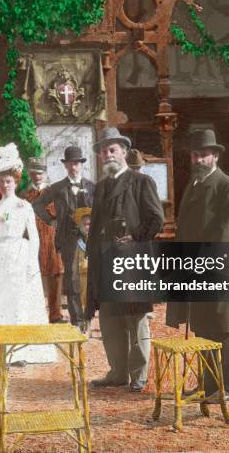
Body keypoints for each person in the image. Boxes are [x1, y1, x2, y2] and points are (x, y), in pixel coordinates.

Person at [165, 129, 229, 403]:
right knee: (202, 327)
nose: (199, 160)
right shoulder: (193, 186)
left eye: (204, 155)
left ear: (215, 156)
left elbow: (227, 232)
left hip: (219, 270)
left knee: (224, 327)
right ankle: (208, 385)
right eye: (195, 155)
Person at [86, 128, 164, 392]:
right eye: (104, 150)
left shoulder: (141, 182)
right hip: (106, 262)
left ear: (123, 152)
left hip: (132, 262)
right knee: (110, 319)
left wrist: (135, 236)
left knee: (136, 317)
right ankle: (118, 372)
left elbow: (157, 219)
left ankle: (138, 374)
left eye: (113, 149)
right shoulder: (101, 187)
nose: (108, 154)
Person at [0, 143, 57, 365]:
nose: (5, 185)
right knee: (4, 301)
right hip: (0, 255)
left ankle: (24, 351)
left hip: (19, 253)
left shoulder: (24, 205)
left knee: (20, 301)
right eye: (1, 181)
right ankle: (9, 350)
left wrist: (31, 263)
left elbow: (33, 236)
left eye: (9, 181)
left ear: (15, 183)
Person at [33, 146, 95, 330]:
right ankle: (77, 320)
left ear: (81, 164)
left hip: (90, 239)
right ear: (65, 166)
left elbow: (101, 209)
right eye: (70, 164)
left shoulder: (92, 187)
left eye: (76, 163)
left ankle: (89, 317)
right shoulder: (57, 188)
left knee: (89, 278)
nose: (73, 167)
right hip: (68, 239)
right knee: (73, 279)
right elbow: (37, 204)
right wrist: (51, 220)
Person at [20, 157, 66, 323]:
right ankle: (34, 315)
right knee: (32, 276)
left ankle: (55, 314)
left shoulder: (55, 193)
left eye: (40, 173)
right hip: (32, 240)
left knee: (55, 275)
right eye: (33, 173)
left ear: (46, 174)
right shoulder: (24, 196)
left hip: (53, 239)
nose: (37, 176)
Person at [73, 207, 92, 325]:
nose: (87, 227)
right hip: (81, 275)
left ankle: (90, 326)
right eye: (84, 224)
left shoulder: (97, 240)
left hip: (93, 275)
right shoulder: (78, 241)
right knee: (82, 301)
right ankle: (84, 324)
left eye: (89, 224)